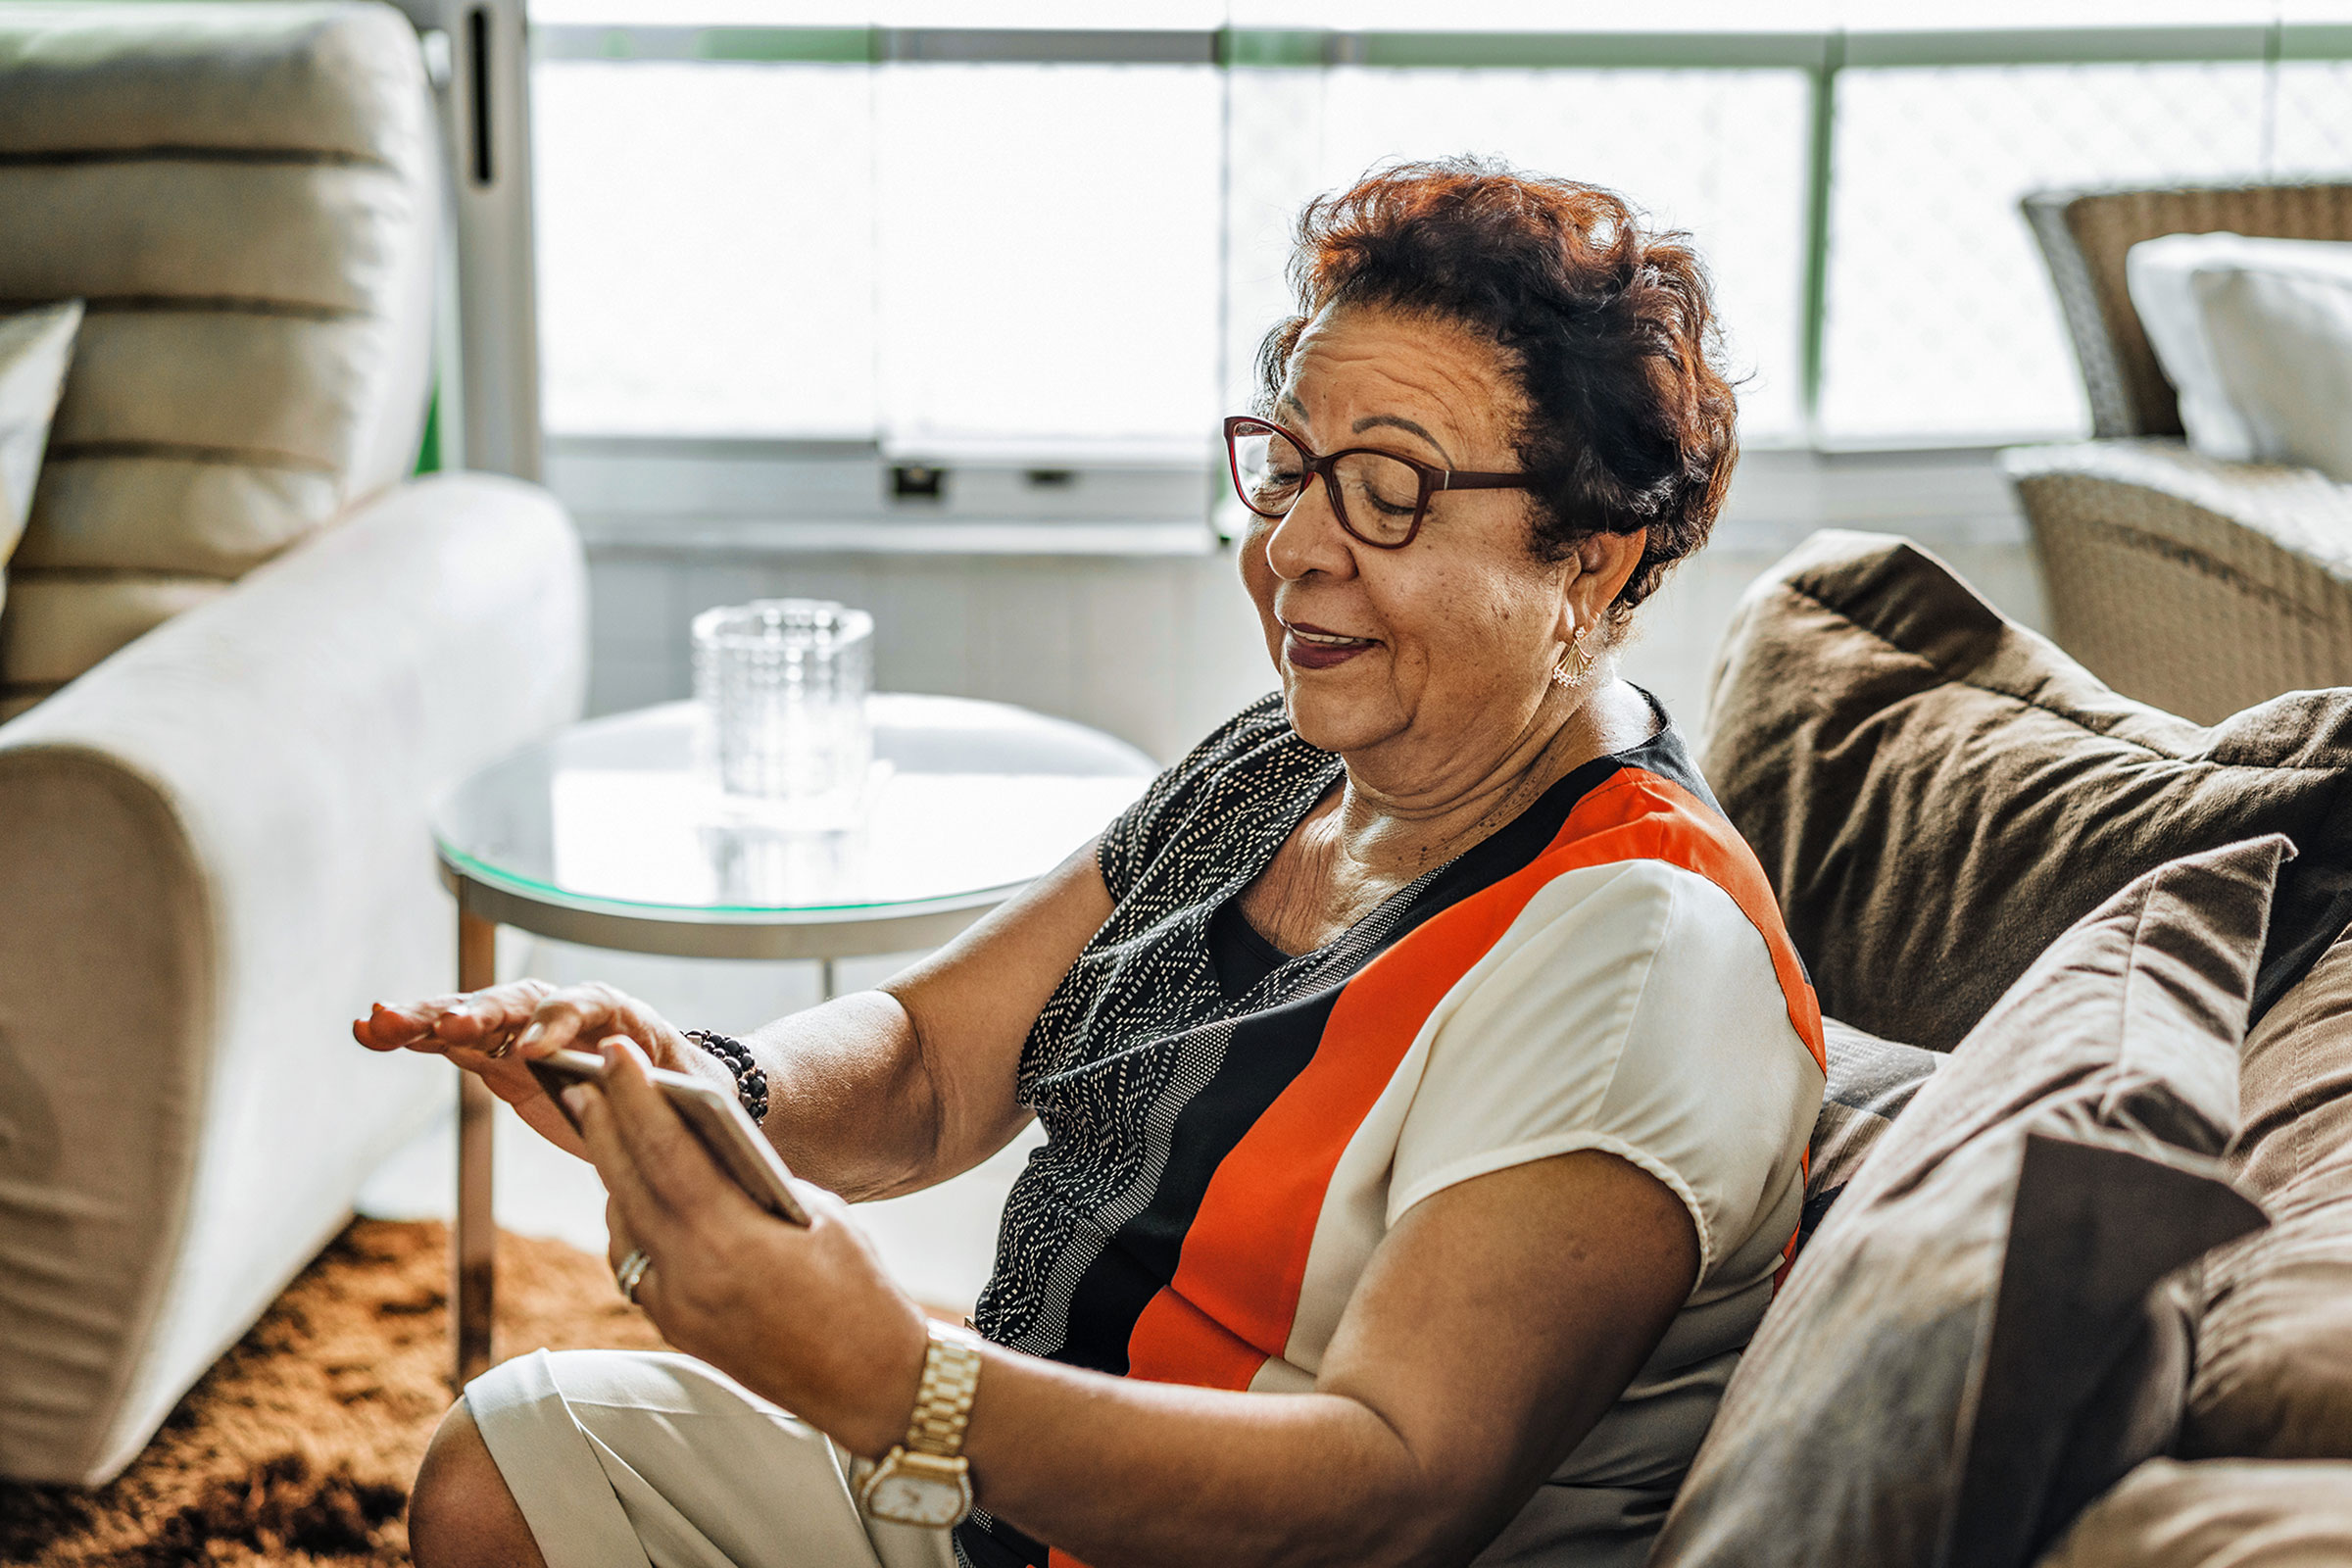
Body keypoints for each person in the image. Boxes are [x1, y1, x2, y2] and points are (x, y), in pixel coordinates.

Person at [359, 157, 1826, 1568]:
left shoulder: (1635, 950)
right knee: (511, 1462)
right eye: (1290, 470)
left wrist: (900, 1384)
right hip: (1018, 1497)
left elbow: (1395, 1492)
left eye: (1388, 489)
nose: (1291, 551)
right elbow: (934, 1065)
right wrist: (704, 1088)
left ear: (1590, 562)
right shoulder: (1288, 761)